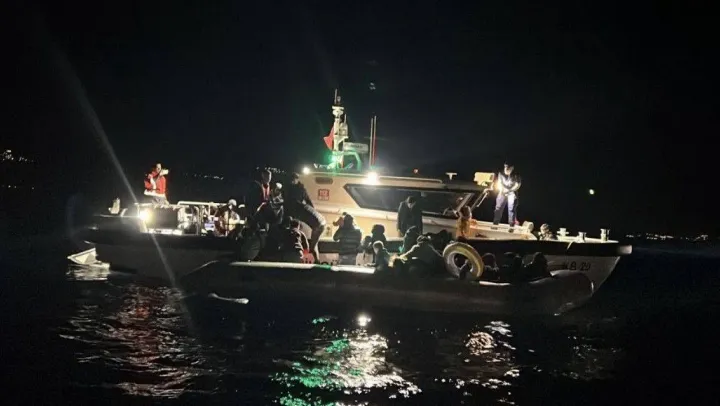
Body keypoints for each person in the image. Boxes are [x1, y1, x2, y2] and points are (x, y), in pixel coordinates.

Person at [285, 172, 326, 263]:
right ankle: (317, 262)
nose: (292, 181)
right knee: (314, 246)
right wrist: (313, 211)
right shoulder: (301, 190)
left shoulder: (295, 199)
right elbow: (309, 202)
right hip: (321, 221)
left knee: (313, 247)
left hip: (318, 224)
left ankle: (317, 263)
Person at [492, 162, 521, 231]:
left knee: (511, 209)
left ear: (512, 168)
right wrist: (502, 190)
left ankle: (511, 227)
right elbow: (499, 182)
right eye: (505, 167)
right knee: (498, 208)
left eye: (508, 167)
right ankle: (495, 224)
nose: (506, 168)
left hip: (512, 193)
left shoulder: (516, 175)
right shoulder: (501, 173)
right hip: (502, 192)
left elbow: (517, 185)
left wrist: (509, 190)